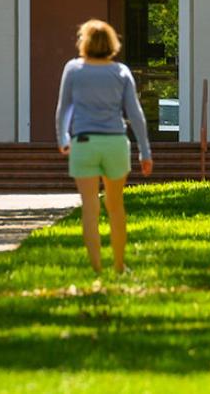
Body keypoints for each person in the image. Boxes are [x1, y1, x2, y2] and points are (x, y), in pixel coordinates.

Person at [55, 19, 154, 272]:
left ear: (84, 42)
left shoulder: (73, 69)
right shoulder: (120, 72)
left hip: (84, 141)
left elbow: (64, 108)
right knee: (115, 205)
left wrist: (63, 138)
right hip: (114, 142)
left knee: (90, 206)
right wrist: (145, 151)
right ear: (112, 42)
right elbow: (135, 114)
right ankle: (119, 265)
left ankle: (97, 268)